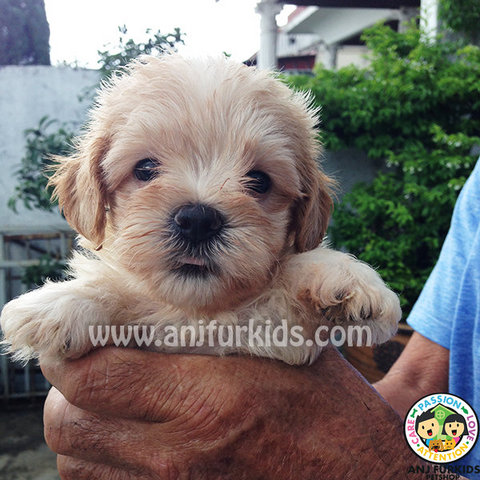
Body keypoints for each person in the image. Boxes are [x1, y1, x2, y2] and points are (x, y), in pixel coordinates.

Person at [42, 159, 479, 478]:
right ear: (94, 192)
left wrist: (377, 468)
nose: (199, 211)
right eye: (146, 170)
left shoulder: (305, 282)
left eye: (257, 181)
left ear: (303, 214)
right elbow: (419, 388)